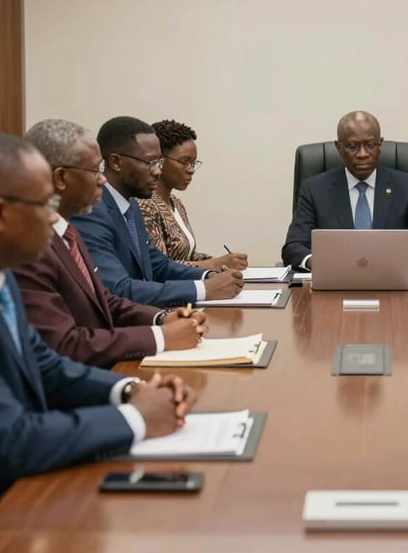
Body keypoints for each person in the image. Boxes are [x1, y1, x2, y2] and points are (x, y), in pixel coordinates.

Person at [0, 130, 197, 510]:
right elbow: (6, 440)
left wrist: (129, 390)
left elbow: (45, 365)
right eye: (45, 202)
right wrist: (135, 419)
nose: (55, 216)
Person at [13, 119, 208, 368]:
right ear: (61, 178)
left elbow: (105, 301)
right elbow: (64, 344)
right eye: (94, 170)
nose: (103, 180)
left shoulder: (68, 233)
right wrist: (160, 337)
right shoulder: (30, 250)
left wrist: (161, 318)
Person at [72, 116, 243, 308]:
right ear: (116, 162)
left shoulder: (131, 205)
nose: (157, 171)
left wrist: (208, 275)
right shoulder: (91, 211)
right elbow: (117, 289)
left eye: (160, 162)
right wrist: (204, 289)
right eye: (150, 163)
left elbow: (158, 265)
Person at [281, 111, 408, 270]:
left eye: (370, 145)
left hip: (392, 281)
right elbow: (294, 246)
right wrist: (320, 263)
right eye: (352, 146)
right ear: (338, 147)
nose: (363, 154)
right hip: (334, 282)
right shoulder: (314, 189)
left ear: (380, 145)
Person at [138, 119, 248, 270]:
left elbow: (188, 255)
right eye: (184, 162)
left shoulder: (176, 203)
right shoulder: (145, 205)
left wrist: (225, 261)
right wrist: (215, 264)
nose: (191, 170)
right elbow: (159, 267)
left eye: (194, 163)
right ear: (159, 160)